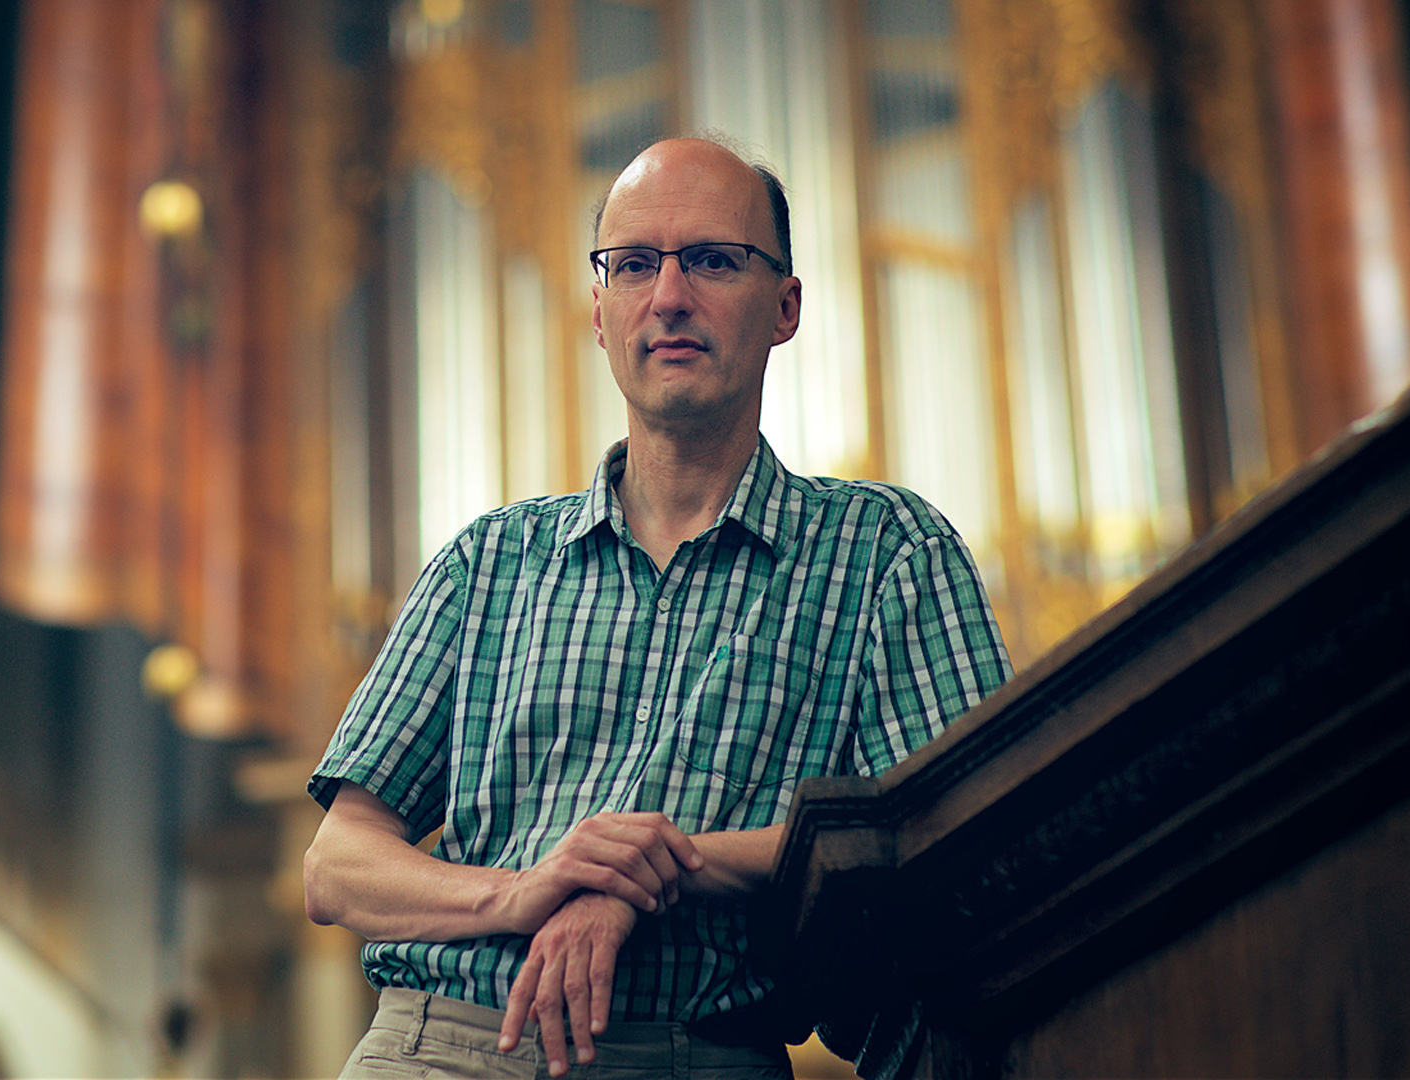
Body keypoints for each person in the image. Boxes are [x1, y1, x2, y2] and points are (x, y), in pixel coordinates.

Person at [304, 136, 1013, 1079]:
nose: (669, 296)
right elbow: (337, 865)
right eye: (634, 264)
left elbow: (952, 824)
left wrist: (655, 869)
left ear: (786, 307)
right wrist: (525, 891)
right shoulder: (488, 562)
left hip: (695, 1055)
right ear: (600, 312)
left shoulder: (882, 551)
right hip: (440, 1047)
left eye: (713, 260)